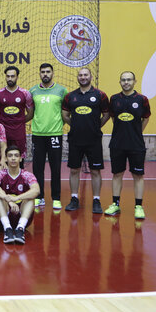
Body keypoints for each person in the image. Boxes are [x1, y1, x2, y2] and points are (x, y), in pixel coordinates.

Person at [62, 67, 110, 213]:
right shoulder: (70, 96)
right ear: (78, 77)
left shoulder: (100, 95)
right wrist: (76, 126)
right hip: (75, 139)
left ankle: (96, 200)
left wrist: (95, 126)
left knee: (95, 171)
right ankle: (74, 198)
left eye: (85, 75)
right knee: (74, 170)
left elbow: (106, 114)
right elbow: (65, 115)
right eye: (80, 75)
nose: (83, 77)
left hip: (94, 139)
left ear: (90, 76)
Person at [104, 71, 151, 219]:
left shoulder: (142, 99)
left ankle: (138, 206)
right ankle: (115, 204)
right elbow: (112, 117)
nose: (126, 82)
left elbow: (145, 118)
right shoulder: (114, 99)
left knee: (138, 175)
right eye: (123, 80)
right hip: (117, 144)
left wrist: (136, 132)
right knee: (117, 174)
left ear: (134, 81)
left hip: (136, 144)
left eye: (129, 80)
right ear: (120, 82)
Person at [29, 63, 68, 209]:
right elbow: (31, 112)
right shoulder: (32, 91)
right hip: (38, 134)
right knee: (37, 168)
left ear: (52, 73)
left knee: (55, 167)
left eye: (48, 72)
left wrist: (59, 124)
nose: (45, 74)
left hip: (55, 134)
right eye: (43, 72)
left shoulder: (62, 91)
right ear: (39, 73)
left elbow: (66, 112)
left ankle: (56, 197)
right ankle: (39, 197)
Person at [0, 146, 40, 244]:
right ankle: (7, 229)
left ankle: (20, 229)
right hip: (4, 214)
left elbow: (36, 190)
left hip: (22, 213)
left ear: (20, 158)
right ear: (6, 158)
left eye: (16, 156)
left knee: (30, 198)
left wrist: (17, 198)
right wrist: (9, 200)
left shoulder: (27, 175)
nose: (13, 158)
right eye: (10, 156)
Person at [0, 66, 34, 168]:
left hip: (19, 133)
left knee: (18, 159)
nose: (10, 79)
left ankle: (19, 182)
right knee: (3, 160)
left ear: (17, 77)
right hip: (3, 133)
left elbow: (30, 113)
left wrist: (19, 121)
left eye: (12, 76)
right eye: (8, 76)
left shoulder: (25, 93)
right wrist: (3, 122)